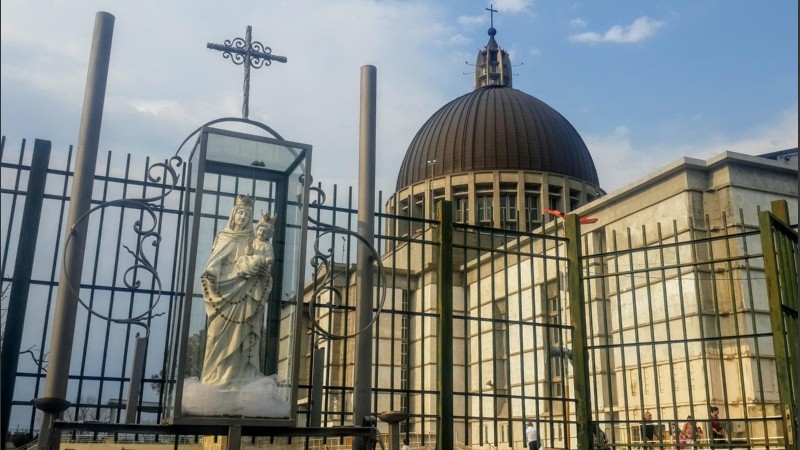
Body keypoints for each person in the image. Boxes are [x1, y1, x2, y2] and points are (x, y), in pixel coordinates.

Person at [200, 196, 276, 386]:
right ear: (233, 216)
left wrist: (261, 271)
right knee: (216, 334)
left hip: (247, 293)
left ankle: (239, 376)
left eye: (247, 215)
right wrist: (212, 275)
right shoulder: (223, 236)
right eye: (240, 213)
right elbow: (213, 265)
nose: (242, 217)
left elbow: (266, 268)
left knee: (245, 335)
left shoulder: (254, 240)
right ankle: (214, 376)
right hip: (225, 291)